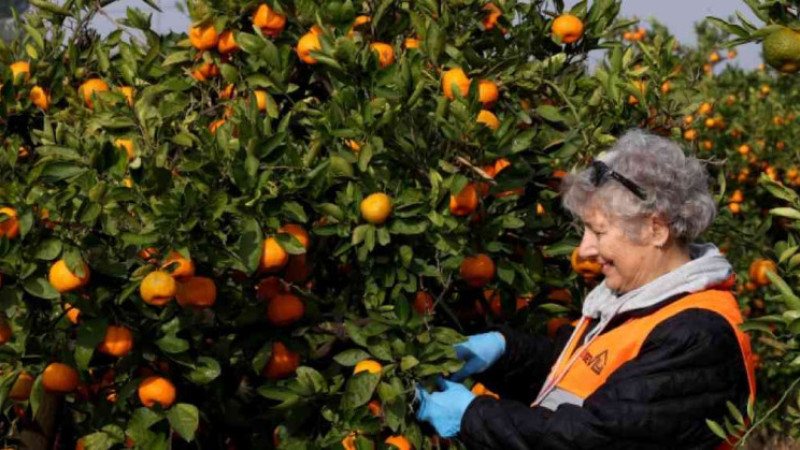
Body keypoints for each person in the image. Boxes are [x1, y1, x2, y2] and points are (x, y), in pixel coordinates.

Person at [415, 129, 756, 449]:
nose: (585, 250)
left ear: (656, 229)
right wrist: (504, 353)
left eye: (599, 232)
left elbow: (595, 437)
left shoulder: (699, 337)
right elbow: (581, 374)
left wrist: (474, 417)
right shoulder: (640, 303)